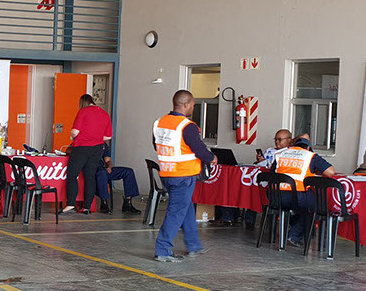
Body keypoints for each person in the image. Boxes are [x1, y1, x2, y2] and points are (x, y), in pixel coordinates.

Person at [153, 90, 217, 262]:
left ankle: (193, 245)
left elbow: (156, 145)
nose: (193, 108)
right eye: (193, 105)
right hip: (183, 175)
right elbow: (199, 149)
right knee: (176, 212)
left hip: (167, 173)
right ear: (186, 104)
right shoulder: (186, 126)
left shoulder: (159, 123)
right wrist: (212, 157)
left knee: (186, 208)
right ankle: (163, 250)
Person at [217, 128, 293, 229]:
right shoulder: (270, 150)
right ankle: (229, 217)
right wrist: (259, 161)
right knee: (234, 187)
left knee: (254, 192)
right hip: (258, 180)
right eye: (275, 139)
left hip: (273, 186)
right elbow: (261, 164)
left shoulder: (290, 152)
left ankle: (249, 220)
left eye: (280, 139)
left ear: (289, 140)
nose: (277, 142)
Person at [273, 137, 337, 247]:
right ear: (308, 148)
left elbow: (273, 172)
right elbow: (330, 172)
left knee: (303, 208)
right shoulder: (310, 155)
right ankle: (294, 235)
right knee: (317, 207)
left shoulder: (281, 154)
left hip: (276, 197)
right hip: (297, 196)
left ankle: (294, 232)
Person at [62, 94, 112, 214]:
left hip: (82, 147)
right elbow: (108, 136)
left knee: (72, 175)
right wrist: (96, 137)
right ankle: (87, 207)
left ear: (82, 103)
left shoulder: (83, 111)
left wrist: (73, 136)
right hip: (97, 148)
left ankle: (71, 204)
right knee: (90, 177)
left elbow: (75, 132)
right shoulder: (105, 114)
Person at [94, 146, 141, 214]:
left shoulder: (103, 145)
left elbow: (108, 161)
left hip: (103, 169)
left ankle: (127, 204)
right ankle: (104, 203)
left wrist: (109, 167)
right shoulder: (87, 143)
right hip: (93, 171)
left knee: (128, 172)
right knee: (102, 173)